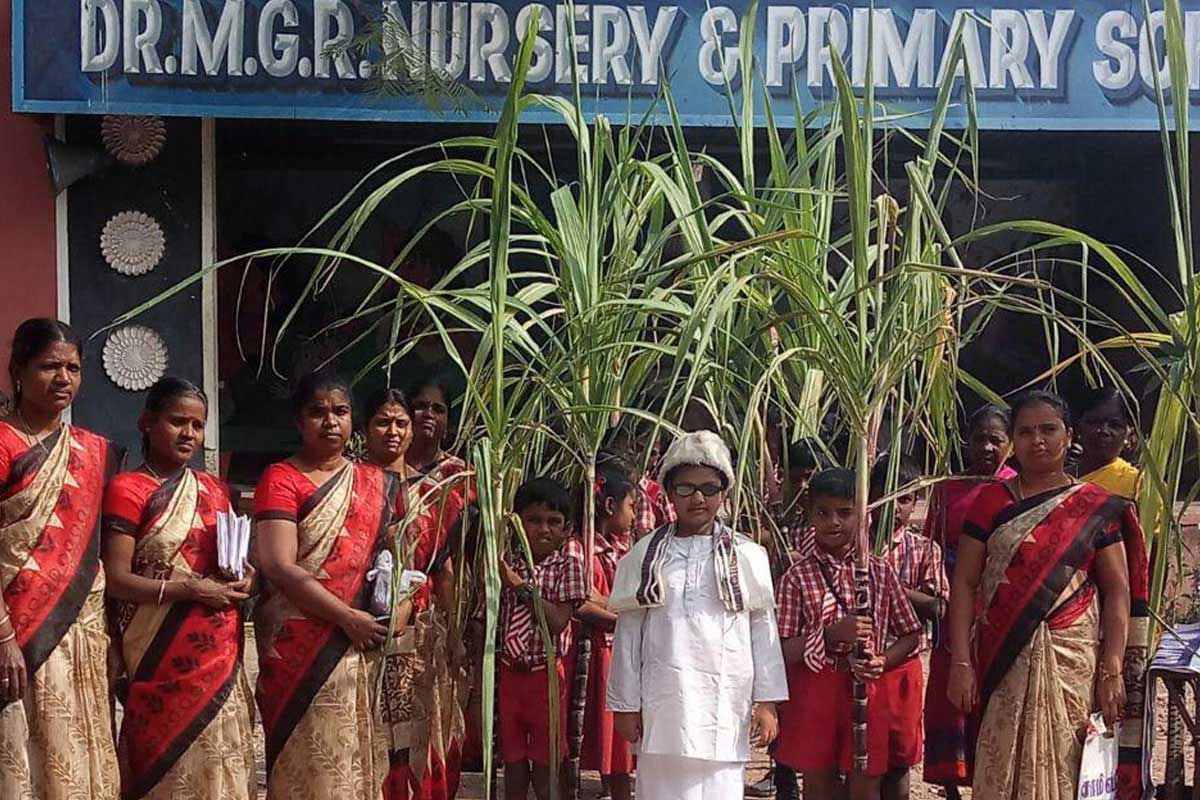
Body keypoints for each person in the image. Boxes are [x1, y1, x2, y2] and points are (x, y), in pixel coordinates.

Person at [947, 391, 1149, 800]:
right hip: (1002, 654)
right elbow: (965, 583)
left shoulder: (1093, 506)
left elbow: (1117, 590)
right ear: (1013, 442)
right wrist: (961, 663)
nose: (1037, 440)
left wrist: (1112, 668)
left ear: (1069, 436)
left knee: (1068, 759)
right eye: (1025, 432)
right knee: (999, 759)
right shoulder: (990, 502)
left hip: (1072, 660)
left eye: (1048, 430)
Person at [607, 430, 788, 800]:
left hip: (725, 706)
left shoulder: (748, 556)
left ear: (724, 492)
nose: (698, 498)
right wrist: (625, 705)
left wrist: (767, 702)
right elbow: (627, 636)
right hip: (662, 706)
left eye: (709, 488)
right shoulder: (643, 556)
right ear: (669, 492)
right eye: (686, 488)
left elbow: (762, 632)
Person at [102, 378, 256, 799]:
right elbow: (117, 579)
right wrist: (190, 590)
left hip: (217, 654)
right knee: (163, 763)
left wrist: (248, 578)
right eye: (177, 422)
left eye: (198, 425)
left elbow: (232, 562)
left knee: (219, 762)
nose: (189, 433)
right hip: (156, 654)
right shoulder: (127, 489)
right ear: (147, 423)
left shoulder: (214, 490)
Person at [253, 372, 398, 799]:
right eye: (318, 412)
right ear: (299, 421)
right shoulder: (281, 478)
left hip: (358, 645)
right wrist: (346, 617)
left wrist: (392, 612)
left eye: (341, 411)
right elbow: (278, 565)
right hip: (298, 646)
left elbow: (398, 561)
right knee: (305, 760)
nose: (331, 421)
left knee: (351, 758)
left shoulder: (375, 482)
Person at [0, 318, 121, 798]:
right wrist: (4, 637)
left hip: (82, 633)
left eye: (73, 368)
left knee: (76, 755)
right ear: (18, 371)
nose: (63, 378)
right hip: (15, 632)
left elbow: (101, 552)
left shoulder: (92, 451)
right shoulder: (4, 442)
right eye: (49, 366)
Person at [773, 468, 923, 800]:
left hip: (868, 690)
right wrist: (828, 636)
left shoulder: (878, 571)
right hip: (816, 691)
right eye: (823, 513)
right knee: (820, 782)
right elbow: (781, 649)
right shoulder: (797, 577)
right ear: (809, 514)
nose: (834, 522)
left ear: (862, 514)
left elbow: (911, 634)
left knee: (866, 780)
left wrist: (882, 661)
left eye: (844, 512)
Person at [361, 387, 467, 800]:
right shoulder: (352, 484)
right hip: (360, 630)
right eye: (383, 422)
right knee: (369, 736)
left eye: (400, 423)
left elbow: (444, 568)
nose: (393, 432)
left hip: (419, 635)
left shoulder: (435, 494)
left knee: (418, 736)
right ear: (364, 429)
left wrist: (454, 632)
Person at [921, 404, 1016, 794]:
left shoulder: (1018, 489)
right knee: (951, 688)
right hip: (954, 603)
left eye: (996, 439)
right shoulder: (948, 488)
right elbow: (930, 545)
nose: (987, 447)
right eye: (980, 439)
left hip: (1001, 604)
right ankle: (951, 784)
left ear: (1010, 443)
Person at [494, 478, 587, 800]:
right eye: (533, 520)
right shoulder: (506, 565)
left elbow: (558, 621)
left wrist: (520, 587)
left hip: (545, 678)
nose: (543, 529)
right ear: (517, 523)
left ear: (566, 529)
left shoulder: (567, 567)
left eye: (553, 522)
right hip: (509, 675)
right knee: (513, 762)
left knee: (547, 766)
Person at [871, 458, 949, 800]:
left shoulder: (923, 549)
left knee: (899, 756)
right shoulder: (852, 545)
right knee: (857, 756)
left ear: (915, 502)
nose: (895, 508)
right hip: (856, 665)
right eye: (886, 497)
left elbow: (938, 606)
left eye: (904, 499)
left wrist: (887, 583)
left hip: (902, 667)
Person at [571, 458, 636, 800]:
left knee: (619, 743)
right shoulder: (579, 549)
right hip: (598, 652)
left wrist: (607, 603)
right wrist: (624, 614)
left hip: (617, 649)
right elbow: (581, 603)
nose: (634, 515)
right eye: (631, 506)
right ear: (610, 506)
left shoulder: (624, 550)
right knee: (607, 735)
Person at [1074, 386, 1140, 499]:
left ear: (1129, 435)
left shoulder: (1138, 484)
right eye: (1094, 422)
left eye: (1115, 425)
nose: (1103, 431)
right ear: (1079, 427)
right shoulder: (1055, 480)